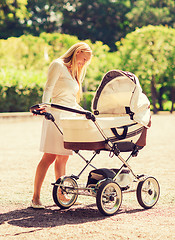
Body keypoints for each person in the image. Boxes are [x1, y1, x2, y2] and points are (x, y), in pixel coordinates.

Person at [31, 42, 92, 208]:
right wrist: (44, 107)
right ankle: (35, 198)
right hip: (55, 116)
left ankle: (62, 195)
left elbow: (71, 102)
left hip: (68, 118)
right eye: (84, 58)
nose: (84, 63)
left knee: (63, 158)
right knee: (49, 157)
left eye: (87, 61)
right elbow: (49, 88)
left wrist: (85, 112)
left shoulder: (73, 73)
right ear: (78, 51)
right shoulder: (58, 65)